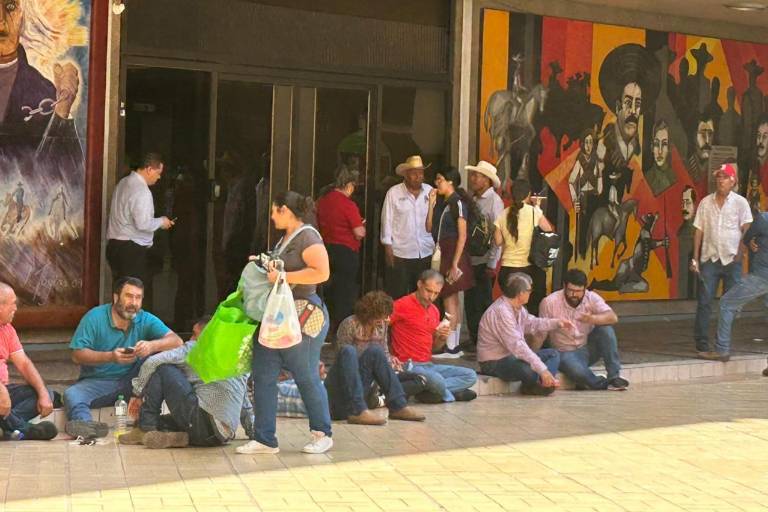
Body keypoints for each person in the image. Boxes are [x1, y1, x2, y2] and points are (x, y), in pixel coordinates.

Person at [237, 191, 333, 455]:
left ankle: (322, 432)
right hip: (279, 315)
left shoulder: (309, 237)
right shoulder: (285, 239)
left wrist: (283, 275)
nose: (270, 215)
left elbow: (322, 272)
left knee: (305, 373)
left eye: (274, 210)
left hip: (303, 314)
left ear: (285, 211)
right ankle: (264, 438)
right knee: (264, 372)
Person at [64, 277, 183, 439]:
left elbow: (177, 341)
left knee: (159, 357)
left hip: (135, 382)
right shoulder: (94, 317)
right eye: (129, 296)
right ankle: (86, 426)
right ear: (115, 298)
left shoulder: (144, 318)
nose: (133, 303)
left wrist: (151, 346)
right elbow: (77, 355)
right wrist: (110, 356)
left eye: (138, 297)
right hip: (99, 382)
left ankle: (150, 424)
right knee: (72, 394)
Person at [119, 316, 250, 449]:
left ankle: (145, 428)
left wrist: (136, 394)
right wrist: (254, 432)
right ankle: (179, 437)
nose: (190, 339)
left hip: (202, 422)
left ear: (207, 335)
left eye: (194, 334)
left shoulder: (196, 347)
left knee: (163, 369)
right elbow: (244, 404)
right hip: (222, 436)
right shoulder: (236, 358)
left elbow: (151, 362)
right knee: (163, 421)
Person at [326, 291, 425, 425]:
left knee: (377, 351)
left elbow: (383, 351)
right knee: (349, 351)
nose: (382, 320)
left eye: (384, 316)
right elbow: (342, 359)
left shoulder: (381, 326)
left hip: (362, 385)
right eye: (378, 316)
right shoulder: (350, 323)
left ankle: (398, 406)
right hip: (342, 384)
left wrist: (391, 364)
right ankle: (357, 411)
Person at [691, 163, 752, 360]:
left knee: (730, 304)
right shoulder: (705, 203)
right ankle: (702, 344)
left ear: (733, 180)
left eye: (725, 177)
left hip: (731, 259)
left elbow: (747, 228)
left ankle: (721, 343)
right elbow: (698, 230)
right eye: (719, 177)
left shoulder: (740, 202)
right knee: (705, 302)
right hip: (710, 258)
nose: (720, 180)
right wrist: (695, 257)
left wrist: (741, 251)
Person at [389, 270, 477, 403]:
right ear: (419, 284)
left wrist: (441, 338)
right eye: (428, 291)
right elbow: (380, 326)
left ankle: (430, 391)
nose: (431, 297)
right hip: (409, 365)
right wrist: (388, 354)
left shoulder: (434, 311)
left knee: (470, 375)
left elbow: (434, 348)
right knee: (436, 379)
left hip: (428, 364)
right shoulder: (402, 304)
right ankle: (443, 392)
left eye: (436, 293)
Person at [477, 272, 573, 396]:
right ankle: (540, 384)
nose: (530, 293)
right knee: (530, 370)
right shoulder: (501, 311)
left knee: (553, 354)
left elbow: (532, 323)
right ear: (520, 293)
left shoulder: (519, 309)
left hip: (512, 357)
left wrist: (557, 323)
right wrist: (543, 370)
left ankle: (541, 385)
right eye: (529, 290)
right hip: (493, 362)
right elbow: (517, 346)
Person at [537, 269, 629, 391]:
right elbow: (541, 333)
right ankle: (599, 383)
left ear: (585, 289)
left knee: (606, 330)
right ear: (564, 286)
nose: (574, 295)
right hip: (564, 352)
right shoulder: (549, 302)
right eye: (570, 291)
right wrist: (533, 357)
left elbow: (613, 317)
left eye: (578, 291)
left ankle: (614, 376)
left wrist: (592, 318)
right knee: (576, 370)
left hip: (587, 348)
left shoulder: (591, 297)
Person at [597, 43, 660, 206]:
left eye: (637, 104)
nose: (633, 111)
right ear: (618, 107)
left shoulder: (643, 148)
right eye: (628, 103)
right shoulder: (603, 146)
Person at [425, 167, 476, 357]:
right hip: (442, 251)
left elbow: (462, 235)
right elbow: (429, 227)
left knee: (449, 298)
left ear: (451, 182)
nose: (437, 183)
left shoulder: (458, 203)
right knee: (451, 298)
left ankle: (452, 345)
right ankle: (452, 345)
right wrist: (430, 204)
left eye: (440, 179)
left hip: (454, 253)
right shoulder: (441, 203)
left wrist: (455, 263)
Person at [106, 153, 175, 285]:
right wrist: (162, 221)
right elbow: (143, 223)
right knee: (133, 295)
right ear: (149, 169)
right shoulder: (141, 190)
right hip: (130, 250)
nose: (159, 177)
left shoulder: (123, 182)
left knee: (120, 292)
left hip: (115, 246)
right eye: (158, 172)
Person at [0, 283, 58, 440]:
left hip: (3, 391)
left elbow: (24, 363)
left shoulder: (7, 329)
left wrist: (42, 393)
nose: (16, 309)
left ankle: (7, 425)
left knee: (44, 393)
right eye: (13, 304)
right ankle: (22, 429)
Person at [315, 166, 366, 330]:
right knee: (345, 292)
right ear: (349, 185)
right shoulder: (348, 204)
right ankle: (341, 329)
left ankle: (325, 326)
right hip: (346, 252)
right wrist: (363, 225)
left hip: (326, 250)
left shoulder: (322, 200)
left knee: (327, 290)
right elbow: (359, 233)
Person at [493, 179, 554, 315]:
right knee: (534, 309)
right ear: (528, 194)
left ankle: (511, 333)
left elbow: (497, 241)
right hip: (530, 270)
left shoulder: (503, 214)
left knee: (511, 309)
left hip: (507, 271)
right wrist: (537, 207)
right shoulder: (533, 212)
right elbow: (548, 229)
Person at [380, 155, 435, 300]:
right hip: (401, 253)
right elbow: (387, 220)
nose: (418, 176)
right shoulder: (394, 193)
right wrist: (387, 247)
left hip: (425, 252)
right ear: (405, 174)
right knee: (399, 295)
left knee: (423, 296)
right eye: (414, 173)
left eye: (421, 172)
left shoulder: (430, 192)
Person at [716, 210, 768, 360]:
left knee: (726, 303)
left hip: (761, 276)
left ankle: (722, 349)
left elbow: (746, 238)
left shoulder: (764, 219)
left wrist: (751, 242)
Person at [464, 161, 504, 353]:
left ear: (487, 180)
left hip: (485, 260)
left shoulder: (494, 201)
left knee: (483, 302)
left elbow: (498, 235)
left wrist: (493, 262)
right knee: (471, 301)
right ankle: (474, 339)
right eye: (473, 175)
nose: (473, 179)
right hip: (472, 258)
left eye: (477, 176)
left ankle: (485, 341)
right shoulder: (474, 199)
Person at [645, 119, 677, 196]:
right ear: (652, 147)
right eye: (656, 144)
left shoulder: (675, 177)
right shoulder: (647, 178)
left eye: (664, 144)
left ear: (669, 148)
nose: (660, 151)